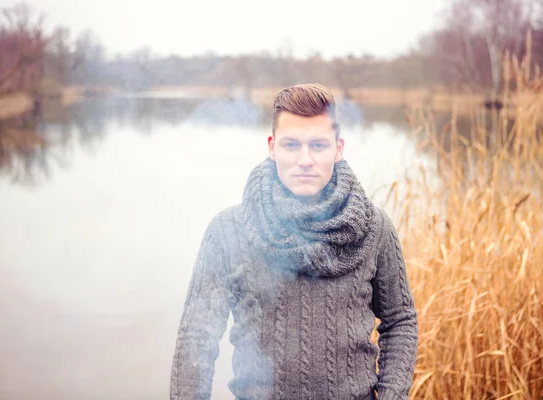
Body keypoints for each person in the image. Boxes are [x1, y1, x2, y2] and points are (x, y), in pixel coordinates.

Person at [170, 83, 418, 399]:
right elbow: (196, 339)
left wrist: (392, 395)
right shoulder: (228, 230)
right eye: (291, 145)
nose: (305, 160)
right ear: (272, 147)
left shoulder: (375, 228)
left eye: (318, 145)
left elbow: (399, 321)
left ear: (339, 148)